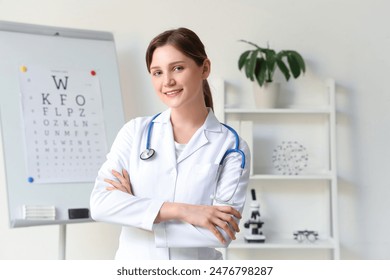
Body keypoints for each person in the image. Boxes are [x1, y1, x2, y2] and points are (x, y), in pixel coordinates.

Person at [90, 27, 251, 260]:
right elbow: (100, 204)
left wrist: (136, 211)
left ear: (204, 68)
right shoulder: (134, 132)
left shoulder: (231, 146)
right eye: (157, 72)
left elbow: (221, 234)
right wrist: (185, 211)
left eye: (178, 68)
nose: (167, 81)